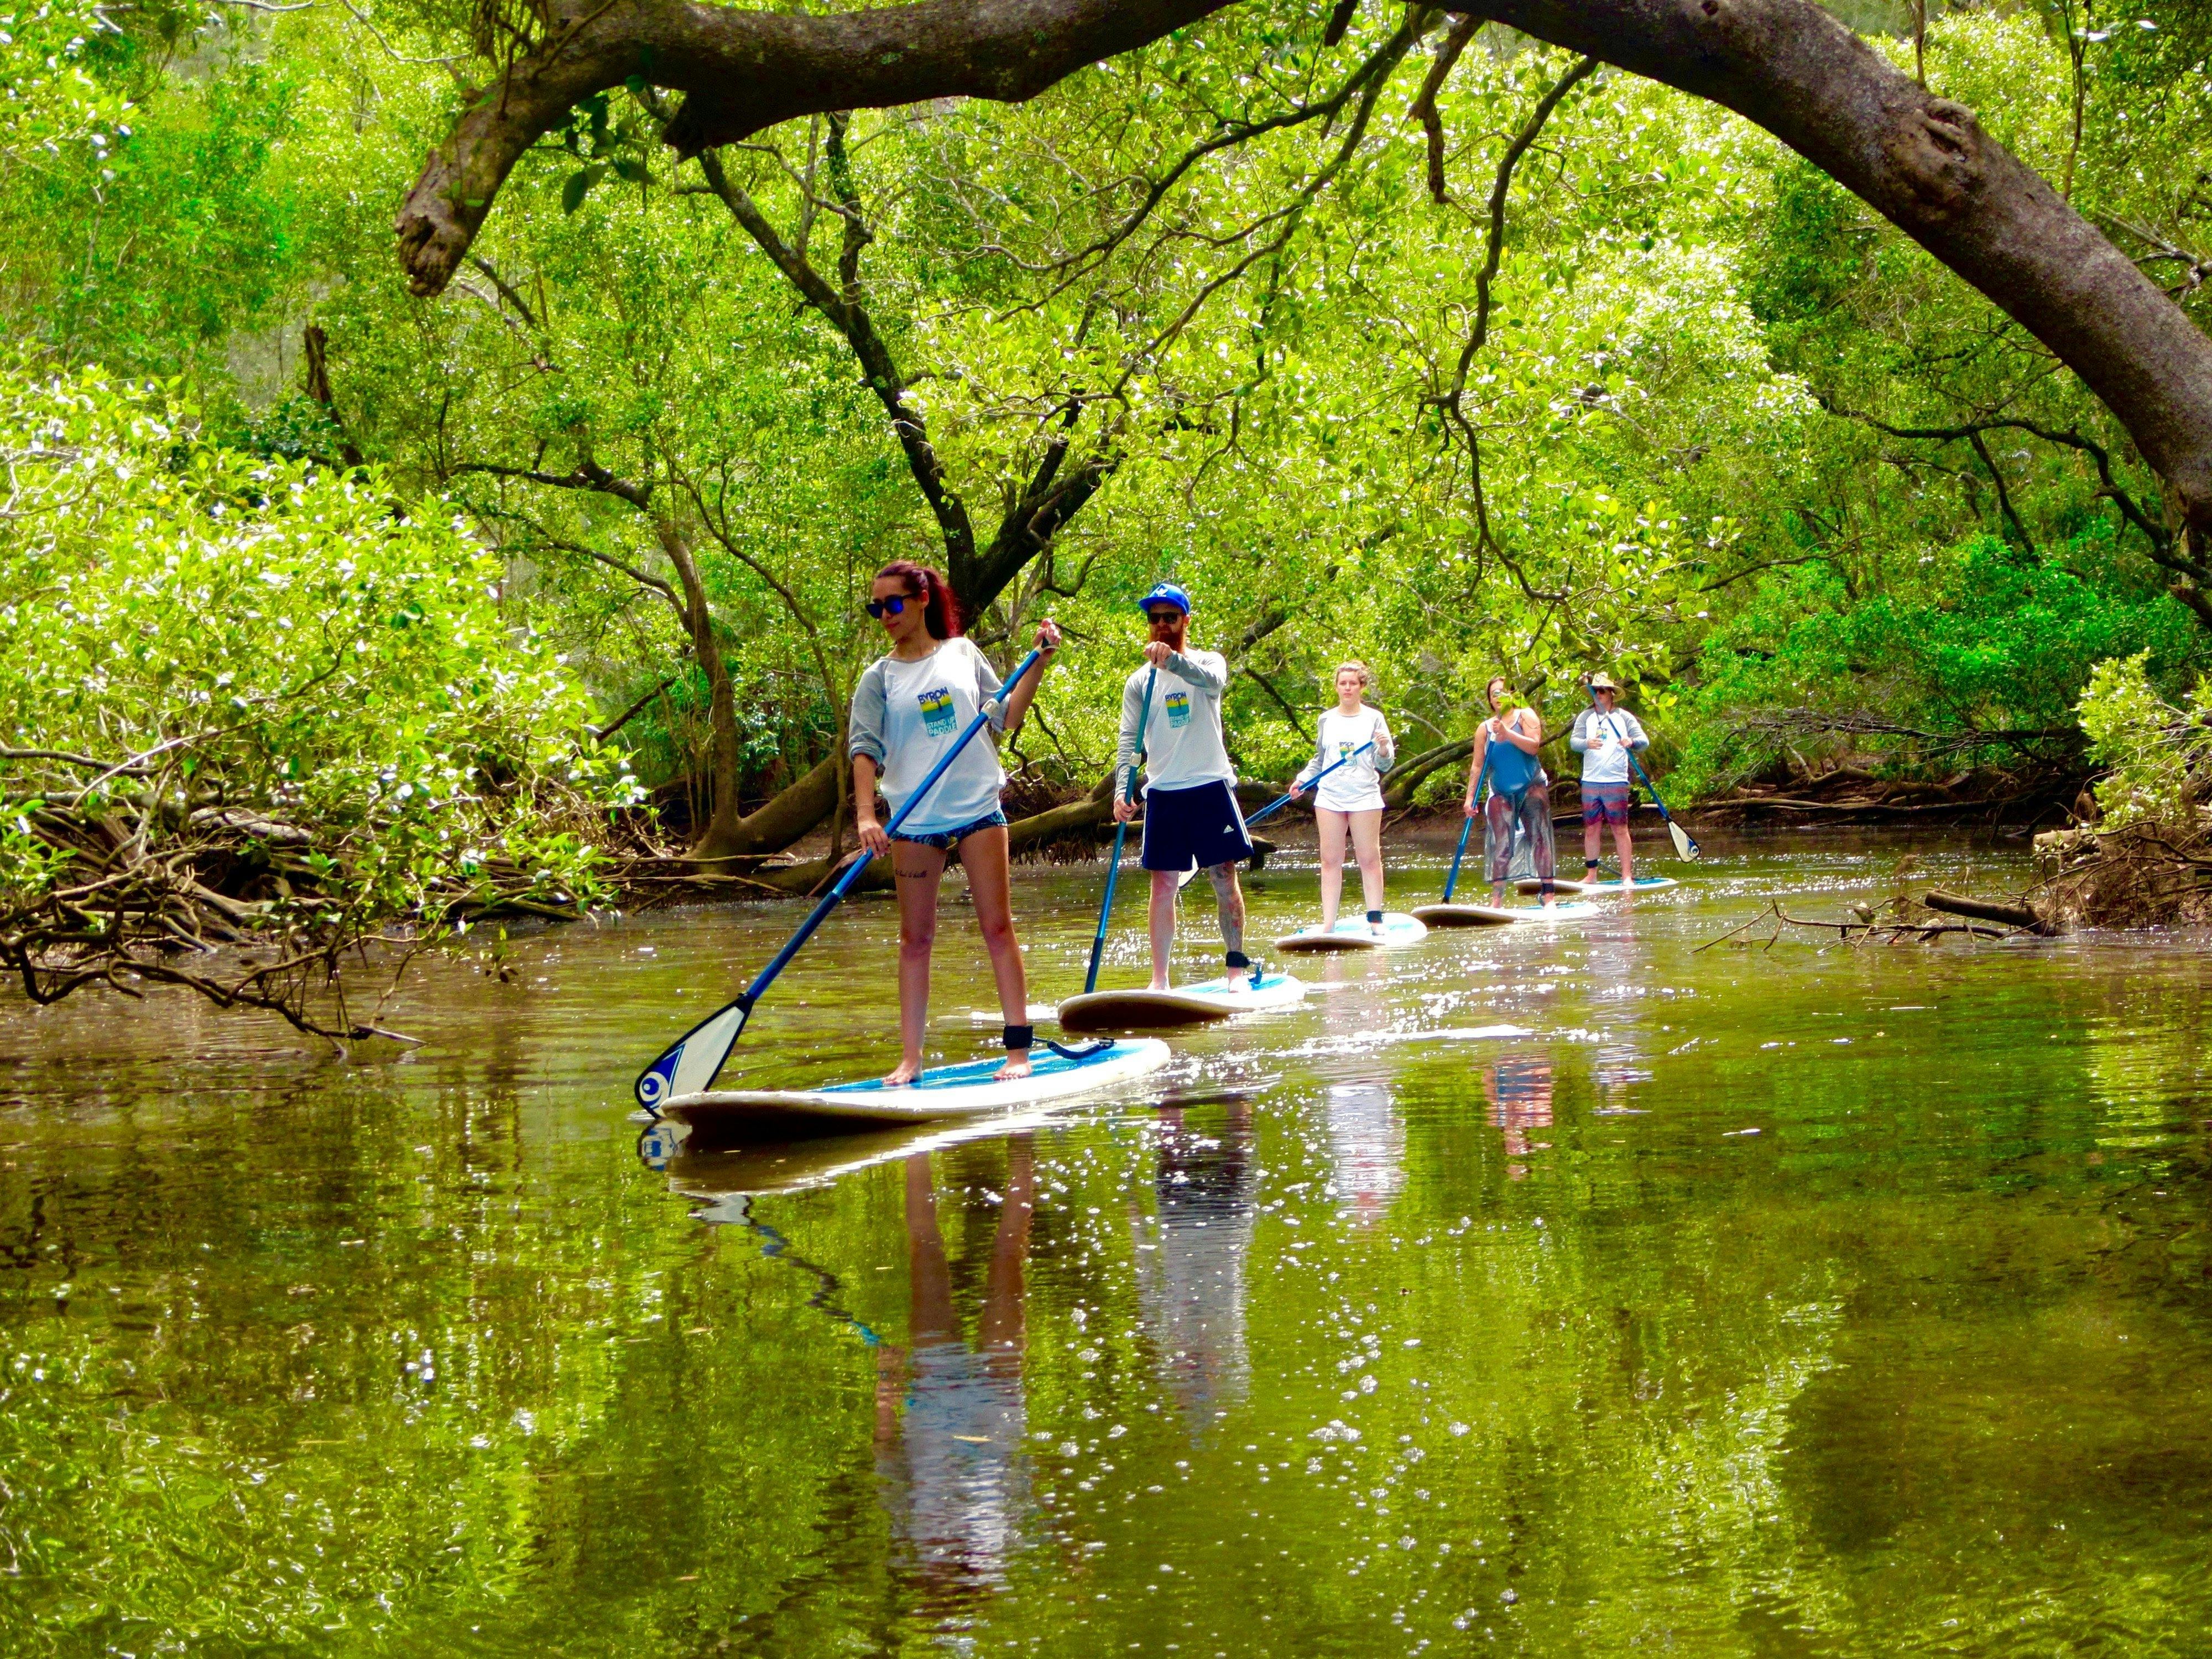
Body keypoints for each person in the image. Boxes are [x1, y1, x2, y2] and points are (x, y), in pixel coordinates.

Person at [850, 560, 1059, 1084]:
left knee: (998, 927)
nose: (885, 616)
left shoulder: (963, 654)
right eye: (876, 608)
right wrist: (865, 816)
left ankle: (1018, 1051)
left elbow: (1006, 715)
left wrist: (1038, 661)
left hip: (978, 810)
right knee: (914, 940)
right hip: (915, 820)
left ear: (921, 600)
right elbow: (863, 750)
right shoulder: (878, 678)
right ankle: (911, 1060)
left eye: (892, 604)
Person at [1112, 582, 1254, 990]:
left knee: (1223, 875)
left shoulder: (1209, 662)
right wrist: (1123, 792)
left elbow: (1212, 684)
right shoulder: (1139, 682)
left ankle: (1236, 969)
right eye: (1154, 618)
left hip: (1210, 784)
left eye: (1169, 618)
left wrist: (1173, 662)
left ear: (1184, 621)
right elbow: (1129, 740)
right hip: (1164, 791)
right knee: (1162, 883)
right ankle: (1160, 980)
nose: (1161, 625)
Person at [1290, 662, 1395, 936]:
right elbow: (1320, 760)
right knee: (1330, 860)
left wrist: (1383, 747)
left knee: (1369, 858)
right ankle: (1329, 923)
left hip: (1364, 796)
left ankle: (1375, 919)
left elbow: (1385, 765)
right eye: (1343, 683)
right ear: (1337, 687)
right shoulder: (1326, 719)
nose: (1347, 688)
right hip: (1330, 797)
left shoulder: (1374, 718)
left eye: (1353, 684)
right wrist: (1302, 779)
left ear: (1361, 687)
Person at [1463, 675, 1556, 907]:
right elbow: (1477, 765)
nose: (1499, 697)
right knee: (1501, 844)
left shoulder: (1527, 715)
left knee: (1540, 836)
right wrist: (1470, 798)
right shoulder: (1484, 729)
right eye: (1494, 694)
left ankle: (1549, 896)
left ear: (1513, 695)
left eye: (1503, 692)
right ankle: (1497, 901)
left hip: (1531, 785)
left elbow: (1534, 746)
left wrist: (1508, 733)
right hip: (1501, 790)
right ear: (1490, 700)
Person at [1571, 671, 1650, 886]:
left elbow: (1644, 742)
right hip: (1590, 781)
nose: (1598, 694)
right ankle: (1592, 875)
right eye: (1595, 691)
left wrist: (1630, 742)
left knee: (1619, 828)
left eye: (1602, 691)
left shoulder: (1623, 717)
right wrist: (1587, 743)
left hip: (1616, 781)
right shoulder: (1585, 717)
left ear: (1611, 694)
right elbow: (1574, 743)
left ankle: (1626, 875)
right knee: (1591, 828)